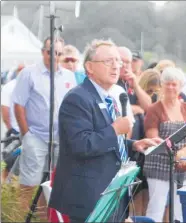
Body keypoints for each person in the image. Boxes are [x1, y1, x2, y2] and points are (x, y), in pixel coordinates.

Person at [48, 39, 161, 223]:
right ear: (90, 67)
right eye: (109, 61)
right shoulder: (77, 98)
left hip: (110, 192)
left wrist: (132, 144)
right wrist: (115, 129)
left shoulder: (109, 97)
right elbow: (82, 145)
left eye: (119, 61)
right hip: (89, 195)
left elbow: (104, 141)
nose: (116, 66)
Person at [12, 36, 77, 215]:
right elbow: (18, 105)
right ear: (43, 52)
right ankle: (18, 217)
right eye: (51, 52)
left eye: (59, 53)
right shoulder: (29, 73)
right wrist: (27, 135)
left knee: (54, 184)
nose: (54, 56)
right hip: (37, 136)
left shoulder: (69, 76)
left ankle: (43, 218)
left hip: (60, 138)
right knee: (29, 182)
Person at [143, 67, 186, 222]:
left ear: (180, 86)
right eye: (167, 84)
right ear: (161, 85)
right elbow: (153, 138)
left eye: (174, 84)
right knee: (156, 208)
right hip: (159, 165)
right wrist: (175, 153)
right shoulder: (154, 109)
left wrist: (184, 153)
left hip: (183, 165)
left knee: (181, 210)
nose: (170, 87)